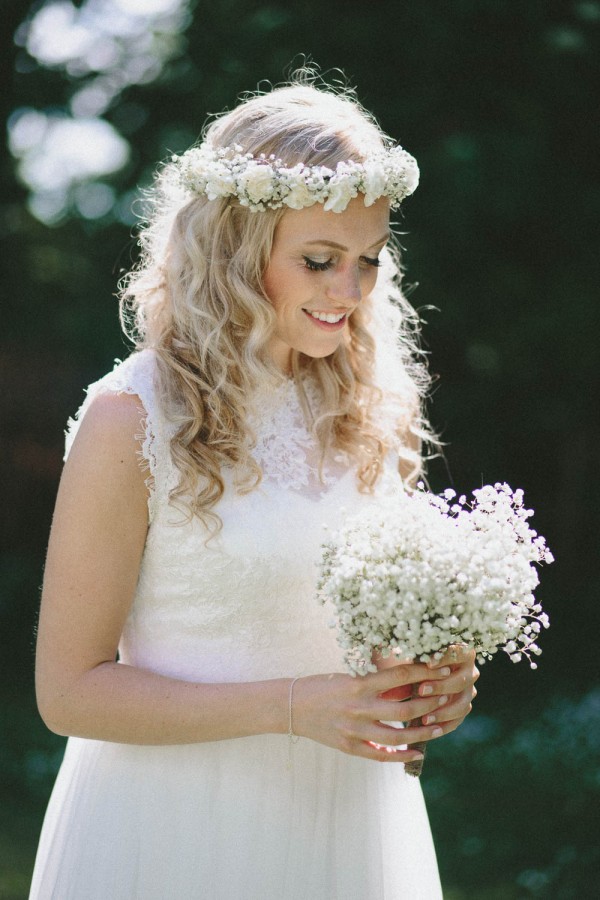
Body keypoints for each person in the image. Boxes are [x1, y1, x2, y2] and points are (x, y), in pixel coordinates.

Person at [30, 75, 479, 899]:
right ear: (235, 251)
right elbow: (67, 693)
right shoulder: (131, 418)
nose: (350, 290)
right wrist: (295, 707)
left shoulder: (369, 408)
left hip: (347, 827)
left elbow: (357, 625)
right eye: (319, 260)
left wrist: (428, 672)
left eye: (368, 259)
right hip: (174, 828)